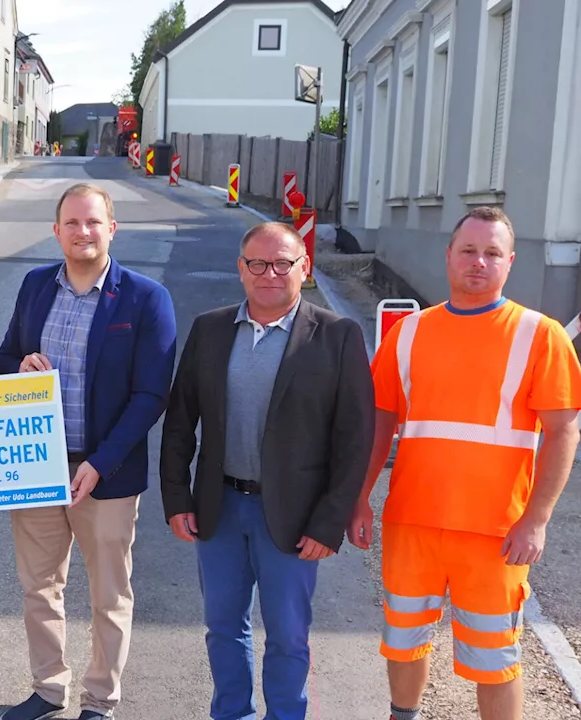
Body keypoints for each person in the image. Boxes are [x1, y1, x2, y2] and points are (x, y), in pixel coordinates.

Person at [348, 206, 581, 720]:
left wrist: (536, 520)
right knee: (403, 642)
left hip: (495, 533)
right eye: (469, 250)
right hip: (413, 523)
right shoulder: (407, 333)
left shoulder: (540, 336)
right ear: (449, 256)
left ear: (510, 262)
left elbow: (565, 431)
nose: (479, 262)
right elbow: (378, 423)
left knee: (494, 659)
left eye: (492, 253)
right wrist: (359, 498)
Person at [159, 221, 375, 720]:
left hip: (295, 518)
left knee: (288, 635)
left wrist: (328, 522)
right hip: (220, 508)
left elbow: (354, 438)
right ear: (241, 270)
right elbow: (179, 423)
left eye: (283, 263)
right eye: (257, 263)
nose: (270, 273)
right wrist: (177, 499)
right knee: (223, 627)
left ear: (304, 268)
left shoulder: (337, 336)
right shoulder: (210, 329)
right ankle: (231, 713)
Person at [0, 183, 177, 720]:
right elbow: (5, 359)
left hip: (108, 473)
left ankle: (101, 699)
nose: (83, 232)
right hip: (37, 467)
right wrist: (18, 367)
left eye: (93, 222)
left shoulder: (145, 298)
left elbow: (152, 395)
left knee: (109, 596)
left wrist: (100, 463)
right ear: (56, 231)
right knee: (40, 587)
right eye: (72, 223)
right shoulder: (34, 287)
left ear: (112, 228)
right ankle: (49, 688)